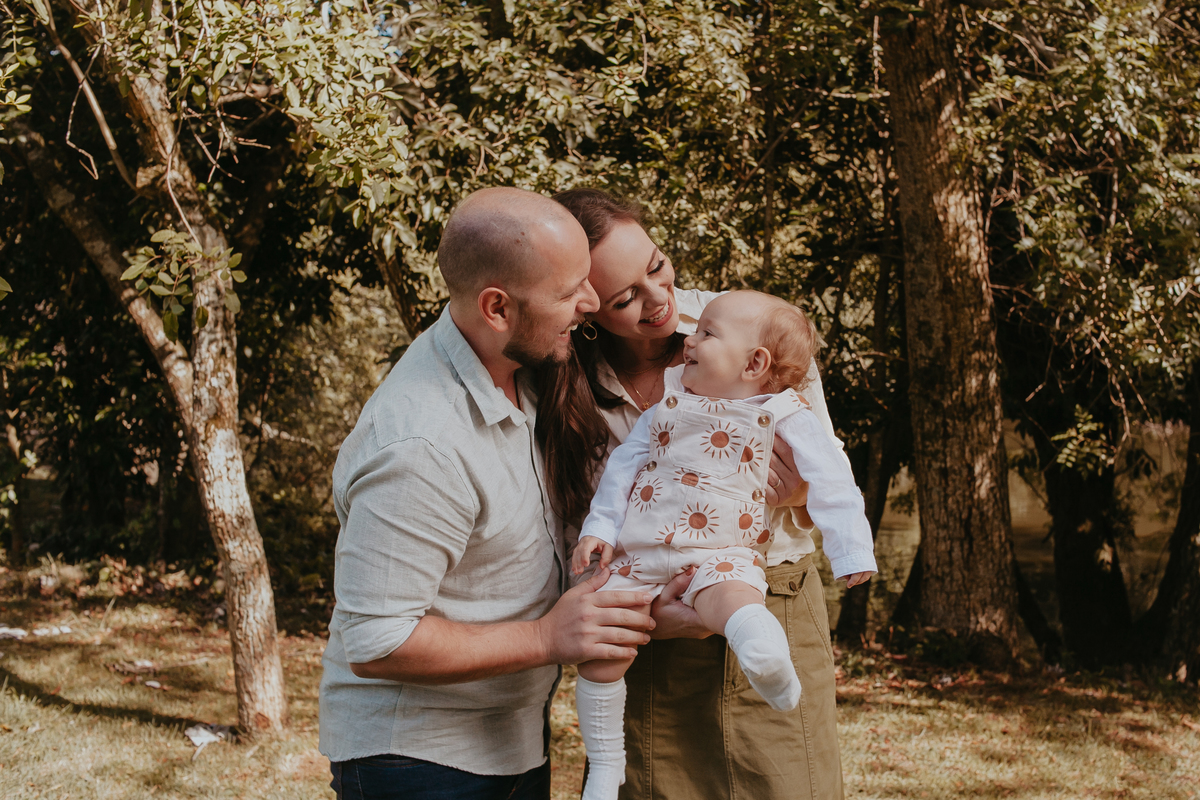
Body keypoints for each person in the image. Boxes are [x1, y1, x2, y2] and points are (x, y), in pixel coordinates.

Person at [319, 187, 658, 800]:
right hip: (418, 764)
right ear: (497, 307)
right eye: (567, 292)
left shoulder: (518, 371)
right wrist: (547, 638)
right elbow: (377, 641)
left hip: (508, 743)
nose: (589, 303)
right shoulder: (421, 445)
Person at [536, 188, 866, 800]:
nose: (658, 301)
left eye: (656, 266)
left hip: (769, 598)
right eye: (623, 297)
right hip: (646, 619)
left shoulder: (754, 326)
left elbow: (827, 472)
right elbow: (576, 514)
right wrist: (636, 607)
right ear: (585, 305)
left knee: (788, 785)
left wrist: (795, 494)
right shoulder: (563, 374)